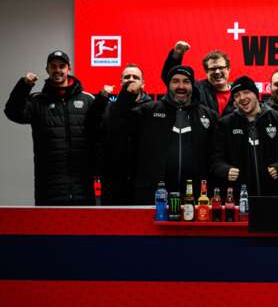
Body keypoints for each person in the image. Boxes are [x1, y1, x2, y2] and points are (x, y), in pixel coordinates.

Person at [4, 50, 100, 205]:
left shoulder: (88, 100)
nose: (58, 70)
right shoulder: (36, 101)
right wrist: (23, 86)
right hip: (48, 188)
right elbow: (12, 113)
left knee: (83, 229)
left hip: (82, 188)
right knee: (49, 229)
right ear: (47, 70)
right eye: (53, 66)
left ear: (69, 68)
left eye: (62, 66)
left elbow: (103, 131)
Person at [111, 65, 218, 203]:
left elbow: (217, 154)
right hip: (154, 195)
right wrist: (126, 96)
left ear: (193, 85)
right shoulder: (148, 111)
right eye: (175, 81)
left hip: (197, 196)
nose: (181, 86)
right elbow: (117, 125)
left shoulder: (209, 115)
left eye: (186, 81)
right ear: (168, 85)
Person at [211, 76, 278, 196]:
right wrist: (225, 170)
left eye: (246, 92)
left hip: (274, 195)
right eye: (237, 95)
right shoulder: (225, 124)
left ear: (256, 94)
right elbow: (215, 158)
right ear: (234, 101)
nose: (242, 98)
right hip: (240, 197)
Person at [94, 64, 153, 205]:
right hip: (114, 181)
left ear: (143, 84)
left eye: (135, 77)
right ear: (121, 82)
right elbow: (101, 133)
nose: (131, 80)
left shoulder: (153, 108)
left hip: (143, 181)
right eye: (127, 77)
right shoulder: (110, 108)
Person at [161, 41, 234, 116]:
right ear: (206, 71)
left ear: (228, 69)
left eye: (221, 68)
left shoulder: (239, 91)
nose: (217, 72)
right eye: (213, 69)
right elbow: (170, 78)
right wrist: (176, 56)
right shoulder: (197, 88)